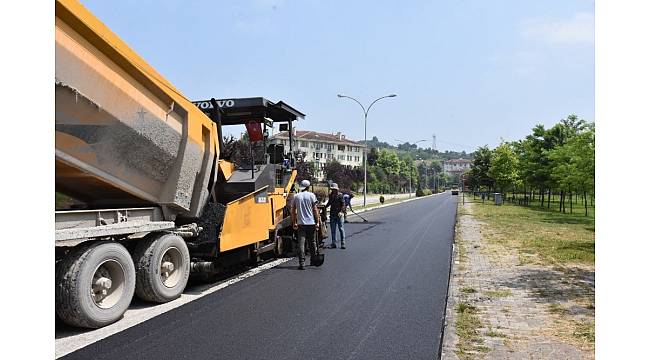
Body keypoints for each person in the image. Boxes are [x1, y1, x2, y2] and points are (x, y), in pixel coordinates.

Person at [291, 179, 321, 270]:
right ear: (308, 187)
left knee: (301, 243)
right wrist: (317, 222)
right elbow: (315, 210)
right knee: (312, 242)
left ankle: (302, 263)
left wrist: (294, 222)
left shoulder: (296, 196)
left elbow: (293, 211)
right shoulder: (311, 195)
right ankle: (313, 260)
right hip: (311, 223)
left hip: (301, 224)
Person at [324, 183, 346, 249]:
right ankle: (333, 243)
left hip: (339, 215)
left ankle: (343, 243)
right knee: (333, 230)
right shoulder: (331, 195)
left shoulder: (340, 195)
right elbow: (329, 203)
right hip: (332, 214)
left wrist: (341, 212)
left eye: (334, 189)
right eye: (332, 189)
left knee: (341, 229)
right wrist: (324, 207)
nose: (333, 191)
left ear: (337, 189)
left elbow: (343, 204)